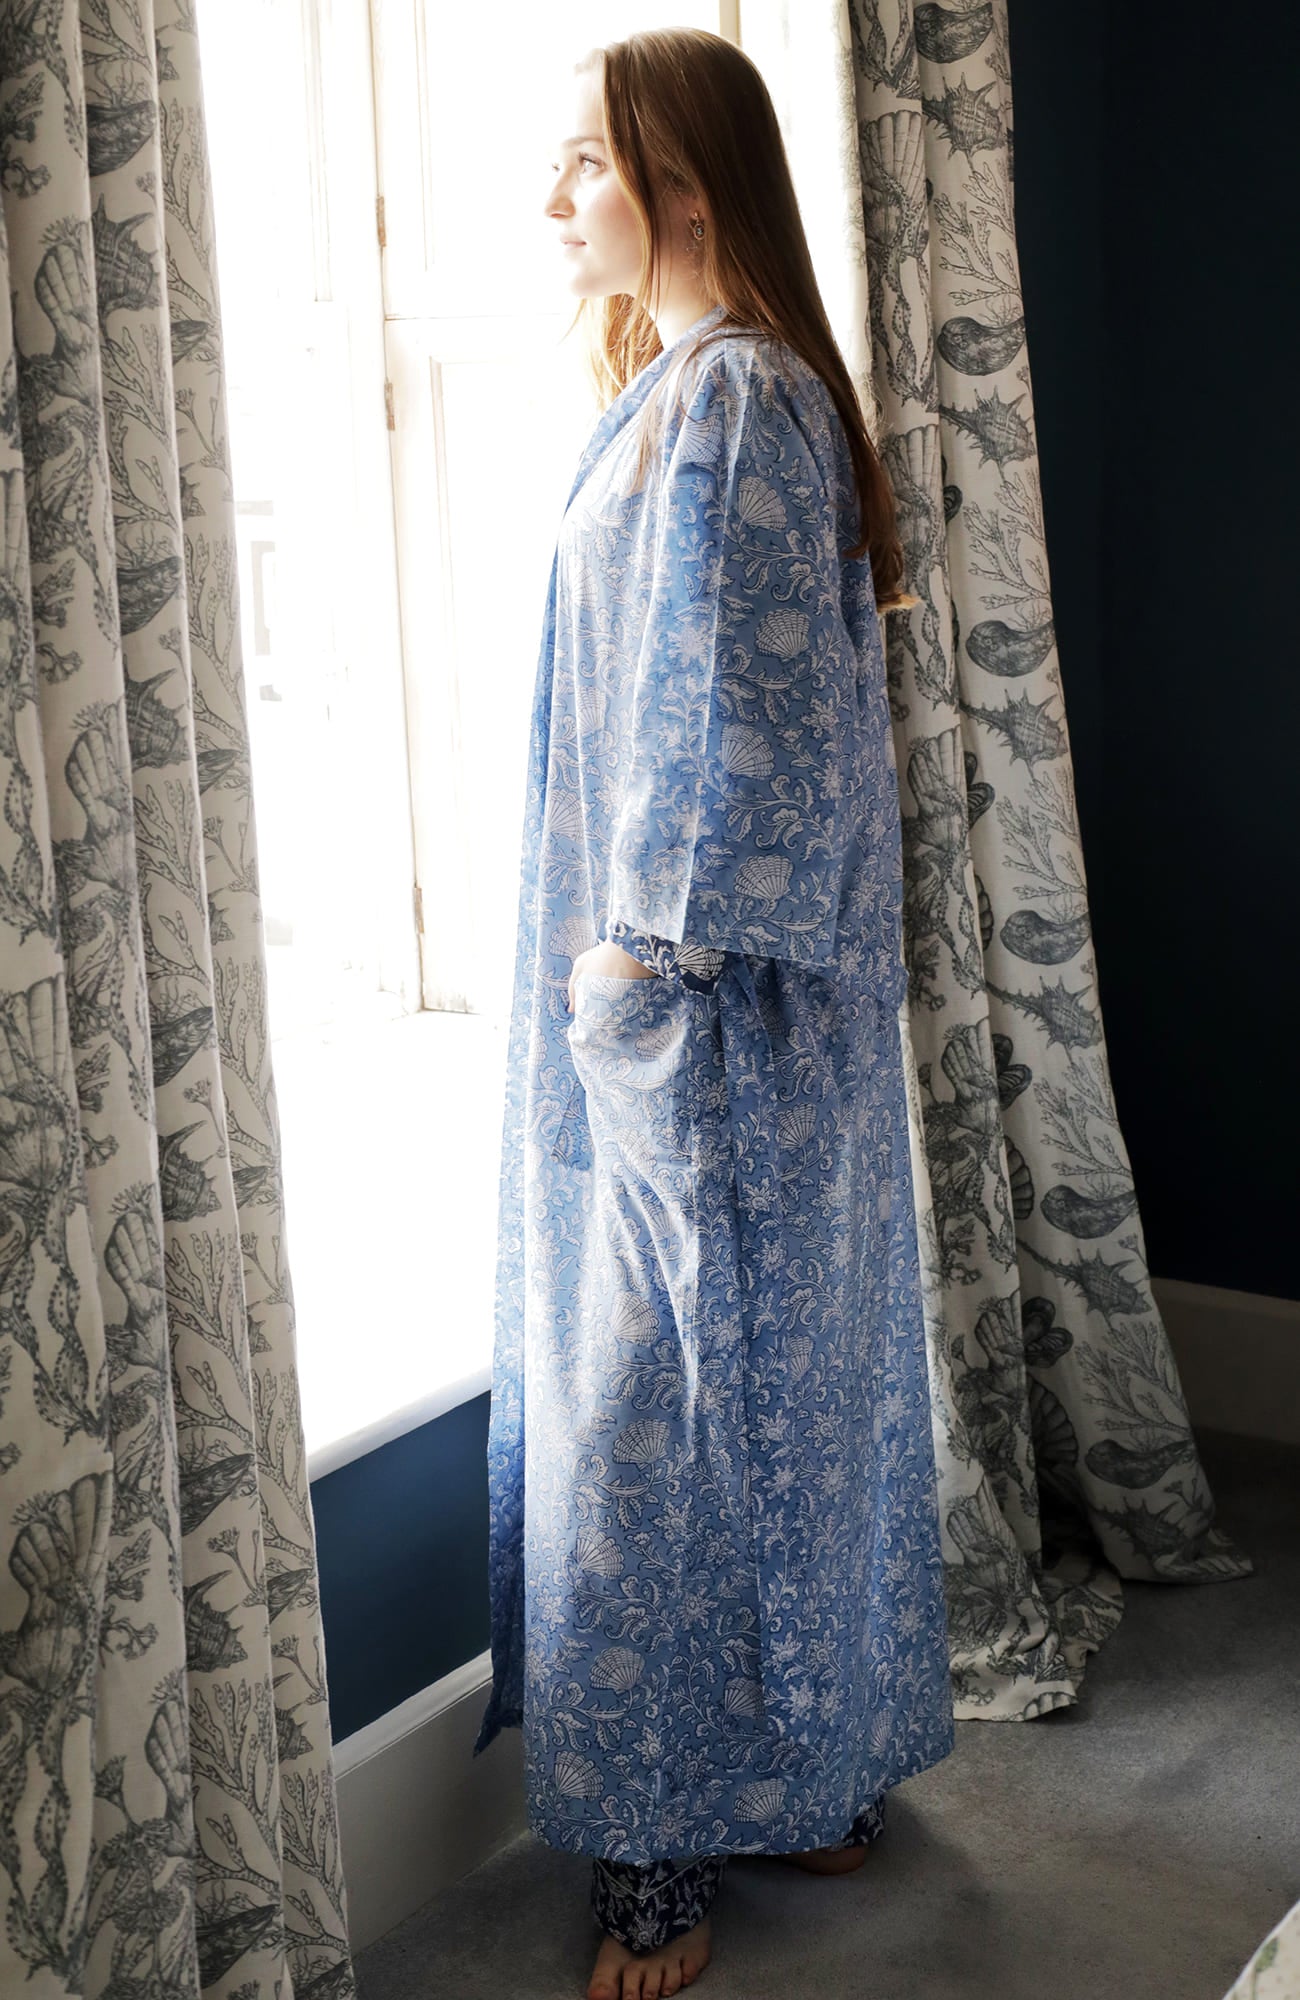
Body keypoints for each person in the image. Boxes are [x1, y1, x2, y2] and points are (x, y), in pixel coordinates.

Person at [474, 26, 953, 2000]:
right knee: (743, 1405)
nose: (552, 194)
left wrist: (642, 955)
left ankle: (666, 1853)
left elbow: (728, 710)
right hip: (700, 1005)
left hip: (699, 1011)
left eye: (583, 162)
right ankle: (791, 1775)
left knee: (664, 1424)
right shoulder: (682, 393)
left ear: (681, 187)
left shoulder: (737, 399)